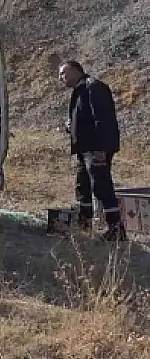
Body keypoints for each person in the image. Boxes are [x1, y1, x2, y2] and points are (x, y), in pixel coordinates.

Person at [60, 60, 125, 241]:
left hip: (96, 147)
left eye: (64, 73)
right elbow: (85, 119)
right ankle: (84, 224)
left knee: (101, 186)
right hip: (84, 147)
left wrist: (101, 149)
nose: (61, 78)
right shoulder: (80, 91)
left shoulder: (94, 87)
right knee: (83, 185)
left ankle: (116, 229)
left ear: (75, 71)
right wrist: (71, 126)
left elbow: (103, 120)